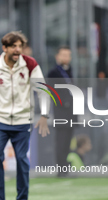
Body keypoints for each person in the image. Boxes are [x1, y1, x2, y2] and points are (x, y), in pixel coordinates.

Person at [0, 31, 49, 200]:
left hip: (23, 122)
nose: (18, 50)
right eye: (14, 46)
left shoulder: (30, 65)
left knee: (22, 161)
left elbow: (42, 90)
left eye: (20, 46)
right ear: (5, 48)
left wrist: (44, 114)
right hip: (0, 121)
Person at [47, 46, 74, 177]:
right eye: (63, 55)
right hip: (61, 112)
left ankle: (66, 166)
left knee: (68, 141)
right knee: (61, 141)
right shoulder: (53, 73)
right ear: (57, 56)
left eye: (68, 55)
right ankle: (61, 167)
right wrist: (64, 102)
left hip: (71, 112)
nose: (66, 58)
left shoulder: (70, 71)